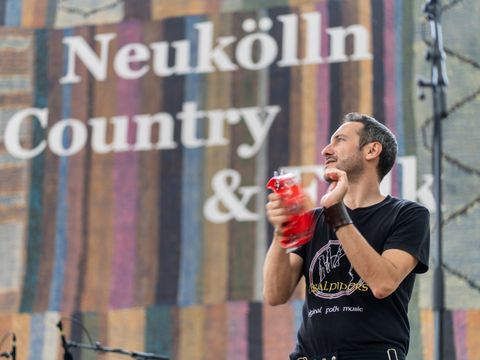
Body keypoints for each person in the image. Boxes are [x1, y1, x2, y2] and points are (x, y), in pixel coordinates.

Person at [264, 113, 430, 360]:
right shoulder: (314, 220)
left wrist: (335, 211)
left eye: (339, 140)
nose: (326, 150)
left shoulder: (407, 214)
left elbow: (383, 283)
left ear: (372, 150)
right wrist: (282, 231)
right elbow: (275, 294)